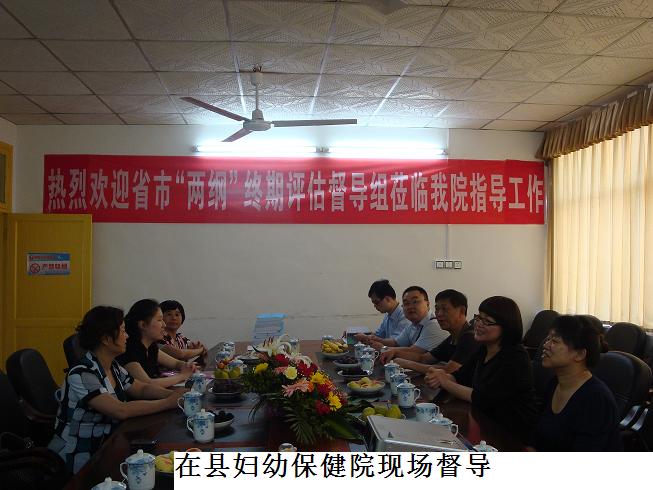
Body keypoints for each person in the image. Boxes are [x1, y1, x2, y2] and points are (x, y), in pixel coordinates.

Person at [48, 306, 183, 474]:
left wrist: (175, 395)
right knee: (169, 468)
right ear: (106, 339)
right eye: (123, 331)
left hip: (113, 443)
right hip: (83, 455)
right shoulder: (82, 373)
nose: (127, 336)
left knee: (174, 461)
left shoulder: (113, 366)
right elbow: (120, 410)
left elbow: (140, 388)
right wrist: (168, 402)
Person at [425, 296, 537, 441]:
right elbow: (460, 376)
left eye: (487, 321)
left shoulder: (516, 357)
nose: (478, 324)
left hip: (510, 432)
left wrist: (444, 381)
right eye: (478, 318)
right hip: (483, 420)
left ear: (506, 327)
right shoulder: (484, 348)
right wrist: (439, 375)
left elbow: (482, 398)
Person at [529, 315, 622, 451]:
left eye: (554, 341)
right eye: (548, 339)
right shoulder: (555, 383)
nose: (546, 345)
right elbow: (539, 435)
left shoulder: (596, 399)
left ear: (579, 354)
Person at [391, 289, 479, 374]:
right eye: (437, 309)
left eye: (444, 309)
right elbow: (424, 358)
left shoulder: (470, 337)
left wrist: (408, 364)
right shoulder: (452, 338)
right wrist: (395, 353)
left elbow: (449, 370)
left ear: (462, 311)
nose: (439, 314)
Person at [117, 299, 198, 388]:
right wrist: (182, 376)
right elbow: (147, 384)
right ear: (143, 325)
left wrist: (187, 366)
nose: (164, 325)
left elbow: (175, 363)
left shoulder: (151, 346)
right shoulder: (129, 350)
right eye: (159, 320)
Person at [377, 286, 449, 363]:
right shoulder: (412, 324)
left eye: (415, 302)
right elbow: (396, 343)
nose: (410, 307)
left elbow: (415, 351)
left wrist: (383, 348)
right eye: (406, 303)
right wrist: (376, 340)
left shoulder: (435, 324)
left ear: (427, 304)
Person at [354, 279, 410, 344]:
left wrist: (366, 338)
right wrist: (352, 333)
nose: (375, 306)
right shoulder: (388, 315)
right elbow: (378, 335)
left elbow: (395, 343)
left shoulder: (405, 316)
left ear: (387, 299)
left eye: (376, 302)